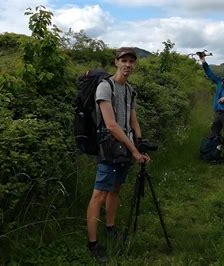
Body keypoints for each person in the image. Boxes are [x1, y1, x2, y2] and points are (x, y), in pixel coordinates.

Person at [86, 47, 150, 263]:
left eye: (132, 61)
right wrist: (134, 150)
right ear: (116, 62)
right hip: (109, 148)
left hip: (125, 148)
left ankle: (110, 227)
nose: (128, 65)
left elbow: (133, 120)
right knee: (99, 194)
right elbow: (111, 125)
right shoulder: (105, 87)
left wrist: (140, 145)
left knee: (115, 189)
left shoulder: (130, 90)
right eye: (124, 60)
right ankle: (93, 243)